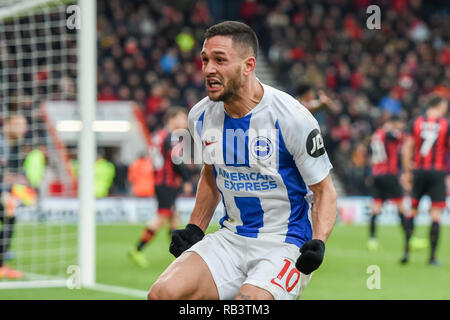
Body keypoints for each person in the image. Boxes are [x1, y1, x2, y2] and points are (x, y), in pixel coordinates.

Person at [148, 21, 337, 300]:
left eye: (220, 60)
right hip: (232, 238)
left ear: (248, 66)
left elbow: (324, 190)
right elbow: (211, 175)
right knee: (162, 294)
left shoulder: (292, 118)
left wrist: (318, 241)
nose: (208, 69)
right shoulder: (200, 117)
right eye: (205, 60)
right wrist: (195, 228)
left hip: (284, 243)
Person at [129, 107, 192, 268]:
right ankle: (137, 249)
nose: (185, 122)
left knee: (174, 217)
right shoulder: (171, 137)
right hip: (167, 183)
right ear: (173, 119)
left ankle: (177, 255)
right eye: (183, 118)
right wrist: (186, 180)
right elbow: (176, 161)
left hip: (161, 181)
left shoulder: (159, 135)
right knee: (162, 217)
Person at [401, 95, 449, 265]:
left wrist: (407, 172)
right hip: (437, 173)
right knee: (435, 215)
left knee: (412, 210)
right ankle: (432, 257)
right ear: (439, 105)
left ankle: (406, 252)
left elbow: (407, 149)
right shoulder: (445, 124)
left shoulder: (416, 122)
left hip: (419, 172)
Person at [367, 116, 406, 251]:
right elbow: (402, 137)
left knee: (376, 207)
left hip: (377, 175)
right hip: (389, 174)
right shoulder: (389, 134)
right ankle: (408, 238)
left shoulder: (375, 135)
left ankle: (372, 239)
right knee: (401, 206)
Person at [0, 114, 28, 279]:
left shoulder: (16, 146)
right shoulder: (2, 143)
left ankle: (1, 264)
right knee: (9, 218)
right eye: (18, 124)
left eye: (24, 125)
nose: (22, 129)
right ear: (8, 125)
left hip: (4, 192)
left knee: (10, 218)